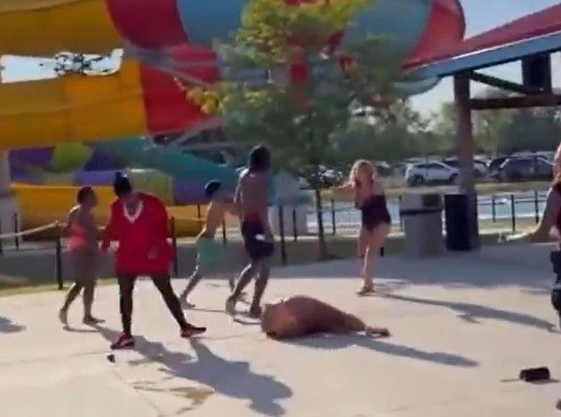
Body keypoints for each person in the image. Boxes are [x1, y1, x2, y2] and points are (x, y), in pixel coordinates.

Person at [101, 174, 206, 349]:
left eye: (128, 196)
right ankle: (126, 334)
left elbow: (162, 225)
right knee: (125, 292)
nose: (126, 201)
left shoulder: (151, 202)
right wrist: (104, 244)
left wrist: (156, 245)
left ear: (132, 191)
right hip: (128, 254)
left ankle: (184, 326)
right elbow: (112, 226)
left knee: (165, 289)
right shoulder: (116, 206)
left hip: (152, 253)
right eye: (122, 198)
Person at [226, 145, 274, 318]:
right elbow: (261, 205)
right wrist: (266, 229)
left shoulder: (243, 175)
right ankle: (254, 305)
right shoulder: (262, 178)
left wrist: (244, 222)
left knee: (255, 263)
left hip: (247, 223)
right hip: (258, 224)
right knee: (264, 266)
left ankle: (234, 297)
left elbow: (236, 204)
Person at [331, 160, 391, 295]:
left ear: (369, 172)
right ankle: (367, 278)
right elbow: (340, 191)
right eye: (358, 171)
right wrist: (335, 189)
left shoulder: (376, 185)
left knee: (371, 251)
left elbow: (369, 198)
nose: (361, 173)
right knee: (360, 250)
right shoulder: (354, 186)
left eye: (364, 170)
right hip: (367, 221)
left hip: (381, 220)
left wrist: (355, 192)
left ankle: (367, 284)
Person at [179, 180, 238, 307]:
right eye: (221, 189)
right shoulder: (219, 202)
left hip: (207, 239)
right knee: (202, 272)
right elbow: (234, 211)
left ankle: (235, 291)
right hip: (206, 240)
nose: (224, 190)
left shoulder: (217, 202)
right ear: (216, 192)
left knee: (225, 264)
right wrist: (236, 196)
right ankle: (182, 297)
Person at [58, 186, 102, 326]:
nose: (95, 198)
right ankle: (65, 309)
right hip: (83, 251)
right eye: (92, 195)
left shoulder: (80, 211)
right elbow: (89, 233)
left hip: (83, 250)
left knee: (88, 283)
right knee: (82, 282)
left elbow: (69, 229)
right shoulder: (82, 212)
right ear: (86, 198)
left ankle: (87, 315)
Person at [260, 295, 390, 339]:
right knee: (338, 321)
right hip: (304, 320)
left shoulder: (293, 305)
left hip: (304, 317)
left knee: (338, 320)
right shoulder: (291, 309)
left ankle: (366, 329)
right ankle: (366, 329)